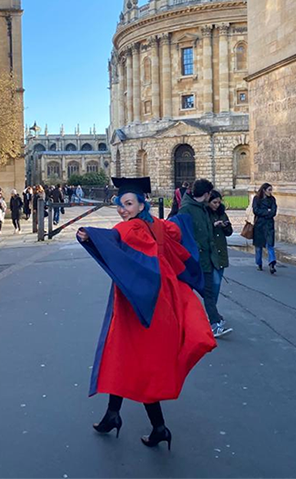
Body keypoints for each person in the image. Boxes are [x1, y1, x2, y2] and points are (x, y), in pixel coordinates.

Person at [77, 176, 216, 450]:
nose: (122, 209)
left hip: (140, 302)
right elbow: (178, 231)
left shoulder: (134, 228)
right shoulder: (158, 225)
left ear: (142, 204)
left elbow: (116, 236)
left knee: (137, 359)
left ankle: (158, 426)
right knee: (126, 354)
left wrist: (90, 234)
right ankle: (113, 415)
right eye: (120, 204)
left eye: (128, 204)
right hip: (163, 298)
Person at [178, 179, 231, 338]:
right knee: (187, 293)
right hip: (193, 261)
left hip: (207, 259)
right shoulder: (186, 209)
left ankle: (215, 323)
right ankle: (181, 322)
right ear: (206, 194)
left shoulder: (202, 209)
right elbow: (182, 234)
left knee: (208, 292)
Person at [207, 190, 233, 309]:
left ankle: (213, 309)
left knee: (216, 284)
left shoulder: (222, 213)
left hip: (220, 251)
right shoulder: (205, 213)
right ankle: (211, 311)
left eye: (218, 202)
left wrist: (226, 225)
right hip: (209, 252)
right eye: (214, 202)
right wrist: (213, 225)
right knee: (211, 284)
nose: (217, 205)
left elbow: (229, 232)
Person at [253, 183, 278, 274]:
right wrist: (267, 211)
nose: (271, 192)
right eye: (269, 190)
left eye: (271, 190)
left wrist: (267, 212)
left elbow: (274, 212)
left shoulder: (272, 199)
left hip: (269, 225)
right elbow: (255, 210)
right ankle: (259, 263)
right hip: (259, 225)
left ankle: (272, 263)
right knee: (258, 246)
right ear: (264, 190)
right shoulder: (257, 199)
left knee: (270, 244)